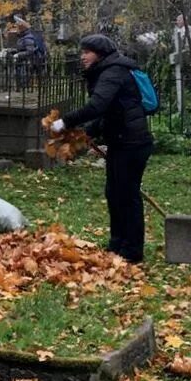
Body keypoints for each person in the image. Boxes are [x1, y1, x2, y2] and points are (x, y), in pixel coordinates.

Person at [49, 34, 154, 264]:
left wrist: (66, 121)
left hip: (132, 143)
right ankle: (117, 244)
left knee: (127, 195)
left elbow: (97, 106)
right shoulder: (108, 71)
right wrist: (87, 133)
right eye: (82, 52)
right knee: (114, 193)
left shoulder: (113, 72)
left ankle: (132, 251)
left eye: (87, 52)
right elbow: (110, 112)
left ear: (100, 54)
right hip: (121, 141)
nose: (82, 57)